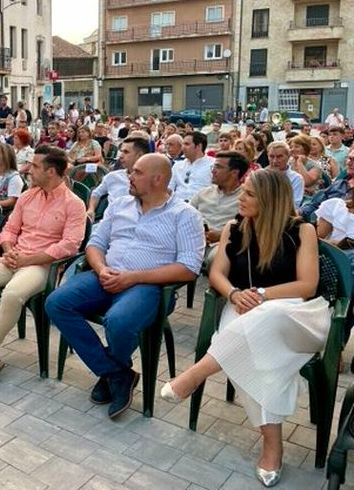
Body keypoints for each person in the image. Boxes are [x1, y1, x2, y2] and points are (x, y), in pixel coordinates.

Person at [160, 169, 324, 487]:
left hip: (297, 315)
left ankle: (196, 374)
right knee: (255, 356)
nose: (241, 198)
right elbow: (217, 272)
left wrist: (262, 295)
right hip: (244, 309)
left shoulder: (302, 231)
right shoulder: (234, 229)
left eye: (249, 193)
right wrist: (234, 293)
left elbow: (307, 285)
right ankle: (272, 447)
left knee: (267, 318)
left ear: (270, 199)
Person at [46, 153, 204, 419]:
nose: (128, 176)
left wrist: (133, 277)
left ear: (158, 179)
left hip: (147, 286)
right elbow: (95, 244)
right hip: (104, 276)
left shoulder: (185, 215)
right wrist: (101, 268)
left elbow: (189, 268)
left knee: (118, 321)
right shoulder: (119, 204)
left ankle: (112, 373)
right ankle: (116, 373)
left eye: (137, 172)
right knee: (56, 303)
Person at [0, 146, 86, 389]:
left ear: (51, 172)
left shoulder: (73, 204)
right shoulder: (27, 196)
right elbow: (9, 229)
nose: (27, 169)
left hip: (42, 265)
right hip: (13, 257)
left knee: (12, 293)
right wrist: (9, 247)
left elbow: (69, 246)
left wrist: (28, 260)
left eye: (34, 166)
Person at [189, 150, 247, 260]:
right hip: (194, 240)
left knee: (215, 256)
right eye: (213, 167)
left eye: (218, 167)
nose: (213, 171)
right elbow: (184, 216)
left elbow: (249, 230)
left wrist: (221, 236)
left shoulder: (245, 198)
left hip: (223, 244)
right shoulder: (203, 193)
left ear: (234, 173)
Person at [87, 136, 149, 221]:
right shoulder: (113, 176)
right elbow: (96, 193)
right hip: (109, 223)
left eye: (126, 152)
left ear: (140, 155)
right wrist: (91, 209)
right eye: (121, 151)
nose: (121, 156)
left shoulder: (151, 181)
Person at [300, 147, 354, 222]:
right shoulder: (340, 183)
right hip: (317, 223)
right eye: (349, 159)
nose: (348, 163)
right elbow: (314, 204)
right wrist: (299, 213)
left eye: (353, 160)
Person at [169, 131, 214, 201]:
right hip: (177, 206)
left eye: (187, 144)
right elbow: (169, 189)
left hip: (201, 207)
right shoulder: (177, 165)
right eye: (183, 144)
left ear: (199, 146)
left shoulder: (213, 165)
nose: (183, 148)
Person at [267, 141, 304, 209]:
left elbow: (294, 205)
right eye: (271, 157)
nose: (275, 161)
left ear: (288, 156)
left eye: (279, 156)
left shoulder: (296, 178)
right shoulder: (259, 175)